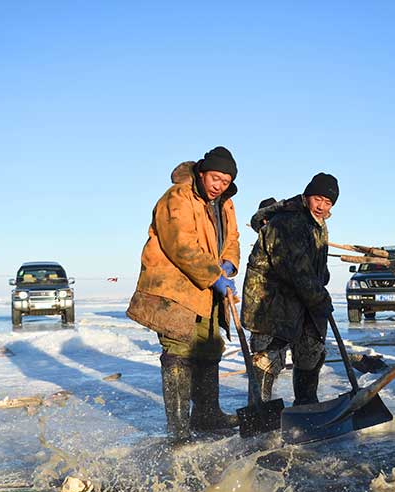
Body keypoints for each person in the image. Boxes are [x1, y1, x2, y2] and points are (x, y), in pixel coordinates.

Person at [127, 146, 242, 442]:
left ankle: (207, 415)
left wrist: (229, 262)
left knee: (209, 347)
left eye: (225, 181)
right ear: (202, 173)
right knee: (178, 352)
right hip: (174, 288)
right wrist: (214, 275)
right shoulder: (177, 197)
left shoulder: (225, 203)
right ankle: (178, 429)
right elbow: (180, 243)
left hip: (206, 291)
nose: (219, 186)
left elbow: (232, 238)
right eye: (215, 178)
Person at [241, 173, 338, 407]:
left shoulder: (318, 225)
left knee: (311, 350)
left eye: (328, 203)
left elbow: (313, 266)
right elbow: (297, 270)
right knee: (268, 358)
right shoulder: (287, 222)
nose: (322, 207)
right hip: (270, 302)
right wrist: (319, 298)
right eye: (318, 199)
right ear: (306, 196)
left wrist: (321, 275)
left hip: (302, 300)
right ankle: (259, 413)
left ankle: (306, 408)